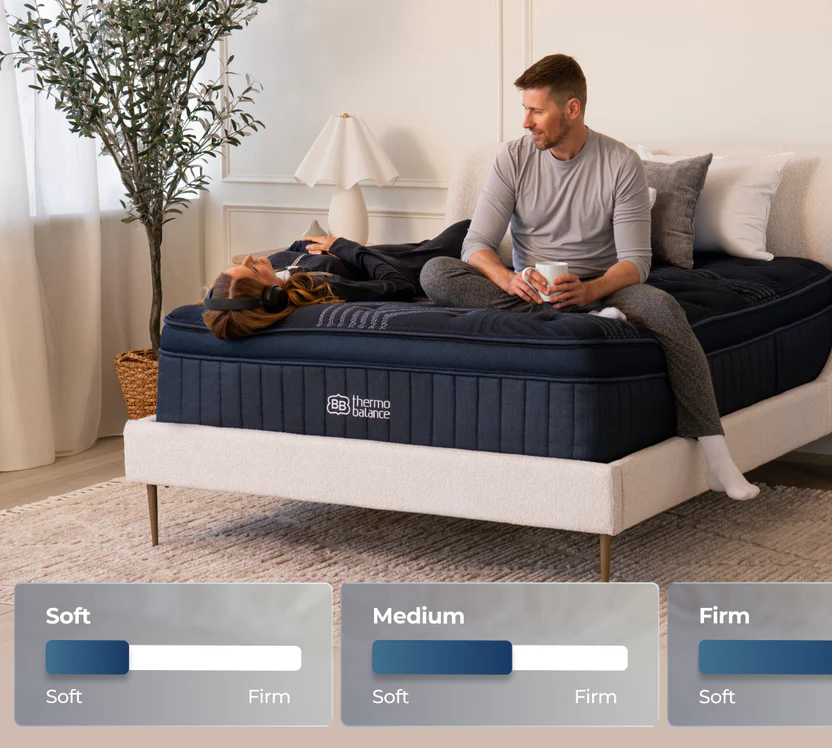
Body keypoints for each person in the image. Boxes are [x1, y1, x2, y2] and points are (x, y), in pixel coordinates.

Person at [419, 54, 759, 501]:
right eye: (525, 110)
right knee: (435, 272)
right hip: (532, 290)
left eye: (536, 111)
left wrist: (591, 289)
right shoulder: (512, 158)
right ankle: (582, 317)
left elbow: (636, 262)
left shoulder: (620, 163)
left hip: (603, 283)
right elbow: (475, 245)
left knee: (662, 307)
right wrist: (506, 280)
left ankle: (717, 459)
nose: (526, 121)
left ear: (572, 109)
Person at [202, 219, 470, 339]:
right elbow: (400, 285)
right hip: (415, 263)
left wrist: (330, 249)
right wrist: (341, 246)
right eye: (252, 270)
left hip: (381, 252)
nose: (249, 258)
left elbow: (298, 245)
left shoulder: (276, 269)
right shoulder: (320, 288)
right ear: (272, 295)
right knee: (466, 227)